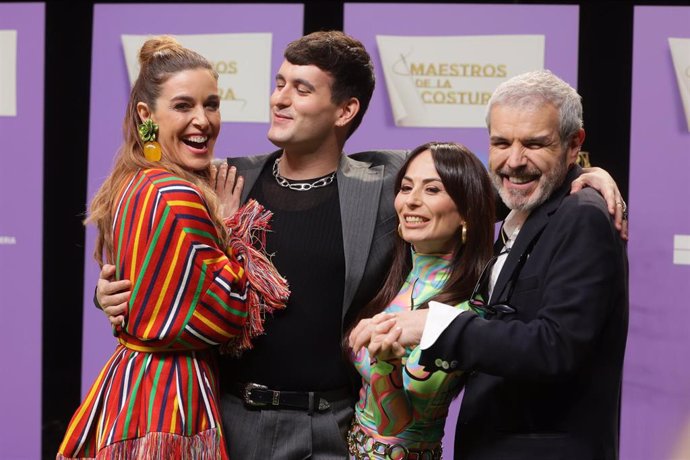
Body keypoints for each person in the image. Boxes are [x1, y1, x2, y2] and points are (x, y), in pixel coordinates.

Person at [96, 31, 627, 459]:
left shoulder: (388, 180)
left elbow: (504, 178)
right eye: (279, 83)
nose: (279, 98)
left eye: (300, 89)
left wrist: (587, 172)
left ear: (344, 111)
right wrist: (112, 293)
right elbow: (157, 251)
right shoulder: (224, 180)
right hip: (237, 421)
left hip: (338, 429)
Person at [367, 69, 629, 460]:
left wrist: (435, 325)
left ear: (574, 145)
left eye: (536, 144)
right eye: (501, 142)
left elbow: (555, 347)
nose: (514, 160)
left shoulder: (583, 216)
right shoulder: (527, 207)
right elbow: (464, 195)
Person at [57, 36, 287, 459]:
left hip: (131, 390)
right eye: (184, 106)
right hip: (167, 403)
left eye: (212, 104)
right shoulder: (176, 195)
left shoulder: (133, 180)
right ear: (147, 115)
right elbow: (227, 314)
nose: (203, 120)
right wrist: (235, 227)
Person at [346, 141, 495, 459]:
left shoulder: (464, 312)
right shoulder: (391, 276)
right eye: (406, 187)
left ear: (466, 211)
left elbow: (395, 424)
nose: (411, 201)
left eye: (432, 190)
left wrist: (386, 365)